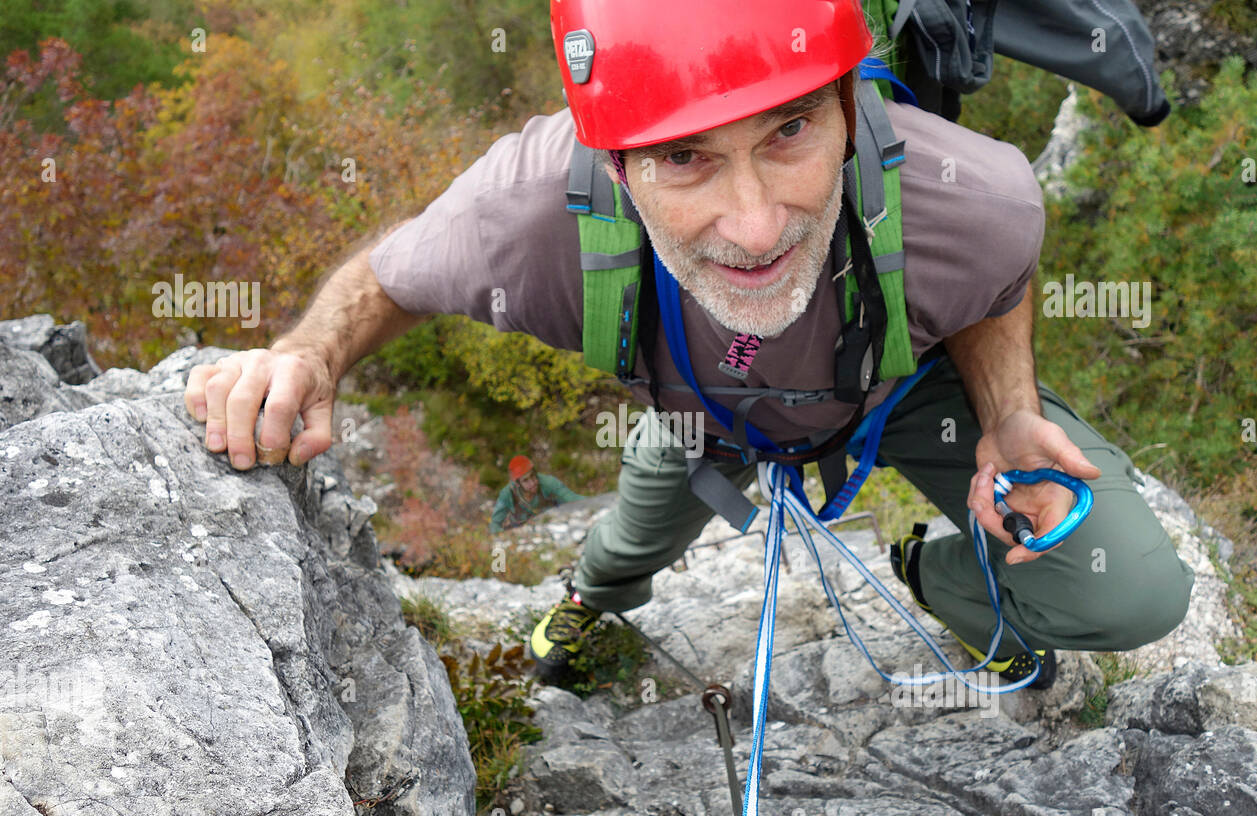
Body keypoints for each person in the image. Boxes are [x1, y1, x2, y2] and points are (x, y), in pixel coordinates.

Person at [184, 0, 1193, 693]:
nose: (753, 225)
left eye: (789, 132)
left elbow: (996, 273)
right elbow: (385, 280)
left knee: (1127, 587)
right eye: (684, 159)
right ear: (616, 167)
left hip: (899, 390)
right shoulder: (530, 213)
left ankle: (939, 581)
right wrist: (308, 355)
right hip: (697, 412)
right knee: (632, 534)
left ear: (849, 111)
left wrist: (1010, 407)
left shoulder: (974, 194)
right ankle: (594, 598)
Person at [490, 455, 585, 533]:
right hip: (523, 533)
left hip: (553, 526)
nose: (532, 483)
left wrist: (597, 502)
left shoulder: (548, 483)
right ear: (517, 484)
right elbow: (495, 524)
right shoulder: (507, 494)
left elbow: (573, 499)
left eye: (532, 476)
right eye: (526, 481)